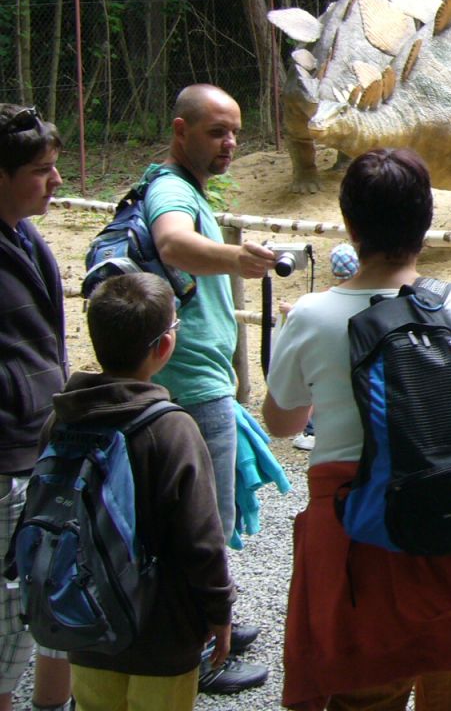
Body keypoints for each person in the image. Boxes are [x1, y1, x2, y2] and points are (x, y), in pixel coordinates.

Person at [263, 147, 451, 711]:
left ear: (350, 225)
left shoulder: (311, 315)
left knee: (364, 694)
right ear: (426, 221)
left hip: (359, 533)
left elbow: (282, 422)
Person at [47, 273, 236, 711]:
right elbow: (201, 540)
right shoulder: (171, 428)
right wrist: (219, 611)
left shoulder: (62, 419)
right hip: (162, 633)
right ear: (165, 346)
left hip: (86, 621)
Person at [142, 84, 274, 694]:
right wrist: (234, 258)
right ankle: (200, 655)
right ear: (181, 130)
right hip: (193, 385)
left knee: (198, 519)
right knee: (206, 525)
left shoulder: (183, 185)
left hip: (196, 377)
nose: (230, 143)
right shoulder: (170, 190)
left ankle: (206, 624)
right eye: (217, 131)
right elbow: (172, 242)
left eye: (235, 132)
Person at [0, 104, 73, 711]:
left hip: (38, 445)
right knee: (7, 617)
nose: (56, 180)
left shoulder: (25, 235)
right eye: (40, 170)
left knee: (47, 594)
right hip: (6, 456)